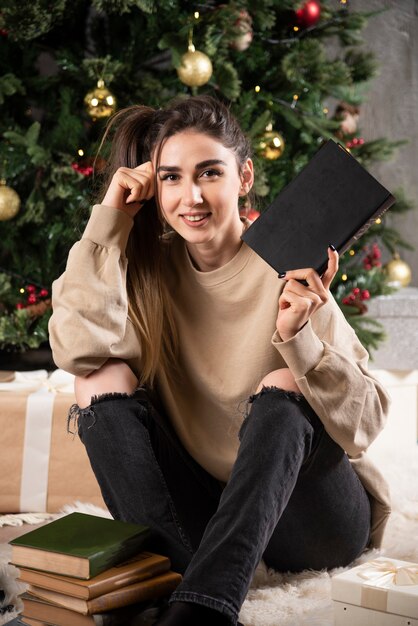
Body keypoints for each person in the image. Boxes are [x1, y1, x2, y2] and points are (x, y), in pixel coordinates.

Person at [49, 95, 391, 626]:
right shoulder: (145, 273)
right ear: (153, 189)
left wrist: (298, 338)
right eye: (171, 178)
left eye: (210, 173)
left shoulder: (290, 263)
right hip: (207, 515)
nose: (192, 197)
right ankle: (185, 579)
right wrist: (109, 222)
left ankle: (206, 609)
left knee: (283, 380)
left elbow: (365, 426)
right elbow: (75, 351)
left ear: (244, 177)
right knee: (98, 379)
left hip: (315, 522)